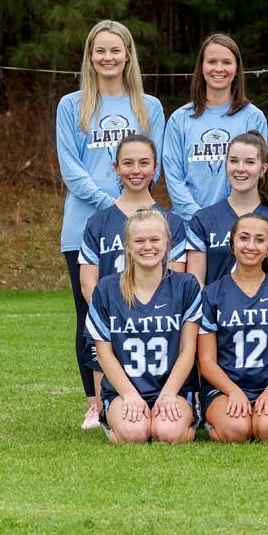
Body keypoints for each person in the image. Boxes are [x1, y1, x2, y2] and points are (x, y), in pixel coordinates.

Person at [57, 20, 165, 429]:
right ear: (90, 57)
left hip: (143, 228)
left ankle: (144, 395)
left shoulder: (148, 106)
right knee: (90, 312)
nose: (108, 57)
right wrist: (114, 207)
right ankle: (95, 403)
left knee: (143, 310)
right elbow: (71, 169)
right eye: (100, 50)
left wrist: (131, 211)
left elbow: (154, 165)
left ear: (128, 55)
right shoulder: (71, 105)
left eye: (115, 50)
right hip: (85, 225)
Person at [78, 135, 186, 428]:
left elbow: (174, 279)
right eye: (127, 163)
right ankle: (103, 412)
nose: (135, 170)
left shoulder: (172, 222)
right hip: (114, 320)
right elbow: (88, 282)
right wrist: (114, 316)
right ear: (116, 167)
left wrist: (145, 316)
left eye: (143, 163)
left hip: (157, 322)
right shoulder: (98, 222)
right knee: (118, 414)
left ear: (155, 167)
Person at [85, 208, 201, 444]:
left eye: (155, 239)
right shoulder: (107, 289)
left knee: (168, 433)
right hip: (123, 389)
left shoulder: (186, 285)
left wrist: (169, 393)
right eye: (139, 241)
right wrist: (129, 395)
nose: (148, 246)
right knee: (135, 433)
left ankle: (188, 421)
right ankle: (117, 423)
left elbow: (188, 349)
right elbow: (104, 353)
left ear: (167, 243)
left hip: (174, 388)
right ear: (128, 246)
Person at [196, 215, 268, 443]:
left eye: (260, 240)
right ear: (232, 243)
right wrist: (232, 391)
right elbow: (206, 360)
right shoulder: (211, 294)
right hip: (224, 387)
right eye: (244, 238)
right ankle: (212, 420)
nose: (251, 246)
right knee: (236, 430)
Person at [163, 33, 267, 222]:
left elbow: (258, 175)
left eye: (227, 62)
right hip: (190, 226)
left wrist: (234, 220)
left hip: (239, 225)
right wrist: (200, 218)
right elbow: (174, 178)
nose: (219, 68)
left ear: (237, 69)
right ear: (201, 68)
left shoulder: (253, 117)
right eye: (212, 62)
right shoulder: (180, 119)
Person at [186, 131, 268, 285]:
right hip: (217, 301)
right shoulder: (203, 219)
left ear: (263, 169)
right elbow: (196, 284)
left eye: (250, 162)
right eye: (234, 161)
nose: (240, 168)